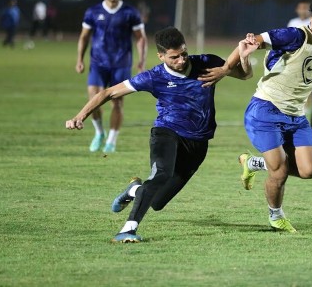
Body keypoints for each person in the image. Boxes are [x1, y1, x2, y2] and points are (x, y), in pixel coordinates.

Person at [65, 27, 250, 243]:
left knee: (157, 202)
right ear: (161, 56)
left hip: (198, 142)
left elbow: (245, 75)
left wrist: (234, 65)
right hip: (166, 132)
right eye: (174, 57)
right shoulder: (153, 77)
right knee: (160, 175)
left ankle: (135, 189)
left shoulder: (207, 62)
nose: (181, 60)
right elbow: (108, 92)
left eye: (183, 54)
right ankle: (128, 229)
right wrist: (80, 115)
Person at [200, 0, 312, 232]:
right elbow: (249, 42)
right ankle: (276, 216)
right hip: (265, 111)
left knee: (309, 171)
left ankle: (253, 162)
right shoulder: (294, 36)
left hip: (296, 117)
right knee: (280, 171)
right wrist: (226, 68)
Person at [76, 0, 148, 153]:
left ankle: (111, 141)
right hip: (98, 63)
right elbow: (84, 36)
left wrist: (141, 61)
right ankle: (99, 132)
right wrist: (80, 59)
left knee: (117, 103)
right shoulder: (93, 12)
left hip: (121, 64)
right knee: (93, 98)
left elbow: (141, 38)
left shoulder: (130, 12)